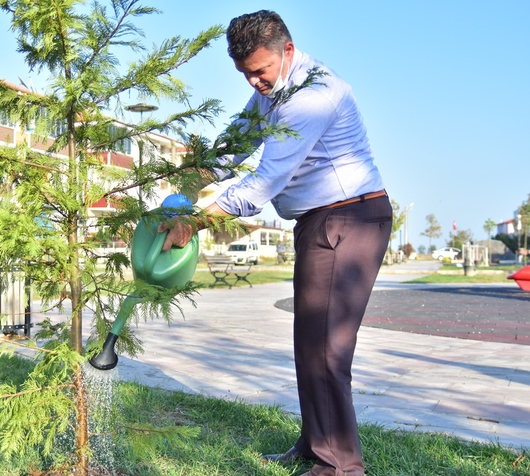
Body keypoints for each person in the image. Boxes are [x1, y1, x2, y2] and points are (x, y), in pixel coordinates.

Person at [160, 10, 392, 476]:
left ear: (287, 51)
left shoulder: (314, 97)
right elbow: (236, 146)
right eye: (244, 74)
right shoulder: (272, 90)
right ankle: (314, 444)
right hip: (320, 220)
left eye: (259, 71)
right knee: (309, 342)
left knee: (327, 349)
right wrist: (193, 178)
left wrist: (196, 222)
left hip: (349, 219)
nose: (253, 83)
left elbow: (263, 183)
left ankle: (340, 466)